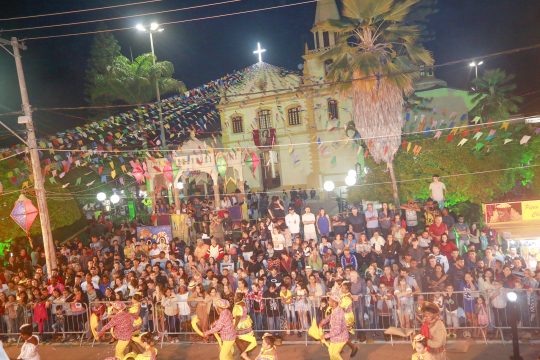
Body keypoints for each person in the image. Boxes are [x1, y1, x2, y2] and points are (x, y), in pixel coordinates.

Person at [320, 294, 349, 360]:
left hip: (340, 338)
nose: (328, 302)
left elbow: (337, 330)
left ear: (334, 302)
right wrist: (324, 321)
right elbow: (331, 316)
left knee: (334, 354)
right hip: (335, 337)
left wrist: (325, 336)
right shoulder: (335, 309)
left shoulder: (338, 313)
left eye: (330, 300)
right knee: (331, 352)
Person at [233, 293, 257, 360]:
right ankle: (245, 352)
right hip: (246, 322)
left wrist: (234, 326)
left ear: (238, 298)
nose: (234, 297)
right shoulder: (243, 303)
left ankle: (244, 353)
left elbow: (238, 317)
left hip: (240, 324)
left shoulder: (237, 305)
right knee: (245, 339)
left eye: (235, 296)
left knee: (237, 338)